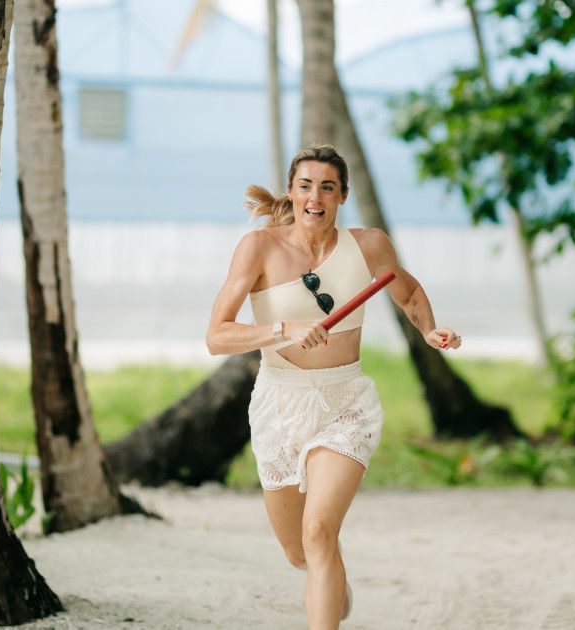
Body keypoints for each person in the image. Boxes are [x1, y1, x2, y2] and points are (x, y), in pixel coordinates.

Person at [205, 144, 462, 628]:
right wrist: (282, 330)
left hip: (346, 402)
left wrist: (429, 330)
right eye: (305, 186)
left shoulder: (369, 246)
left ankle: (326, 583)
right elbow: (217, 335)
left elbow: (406, 291)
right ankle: (331, 583)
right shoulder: (259, 248)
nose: (315, 197)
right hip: (280, 404)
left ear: (343, 195)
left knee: (319, 531)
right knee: (298, 550)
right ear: (291, 191)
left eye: (327, 186)